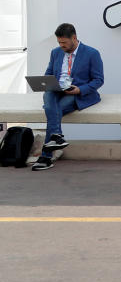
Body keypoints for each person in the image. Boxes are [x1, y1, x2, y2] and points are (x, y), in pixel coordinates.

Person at [32, 23, 105, 172]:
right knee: (48, 95)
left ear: (74, 38)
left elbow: (99, 80)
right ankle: (56, 137)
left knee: (51, 110)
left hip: (77, 93)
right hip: (57, 90)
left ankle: (46, 156)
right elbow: (49, 73)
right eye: (59, 42)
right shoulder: (55, 52)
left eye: (64, 42)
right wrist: (48, 83)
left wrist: (80, 89)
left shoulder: (92, 53)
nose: (61, 45)